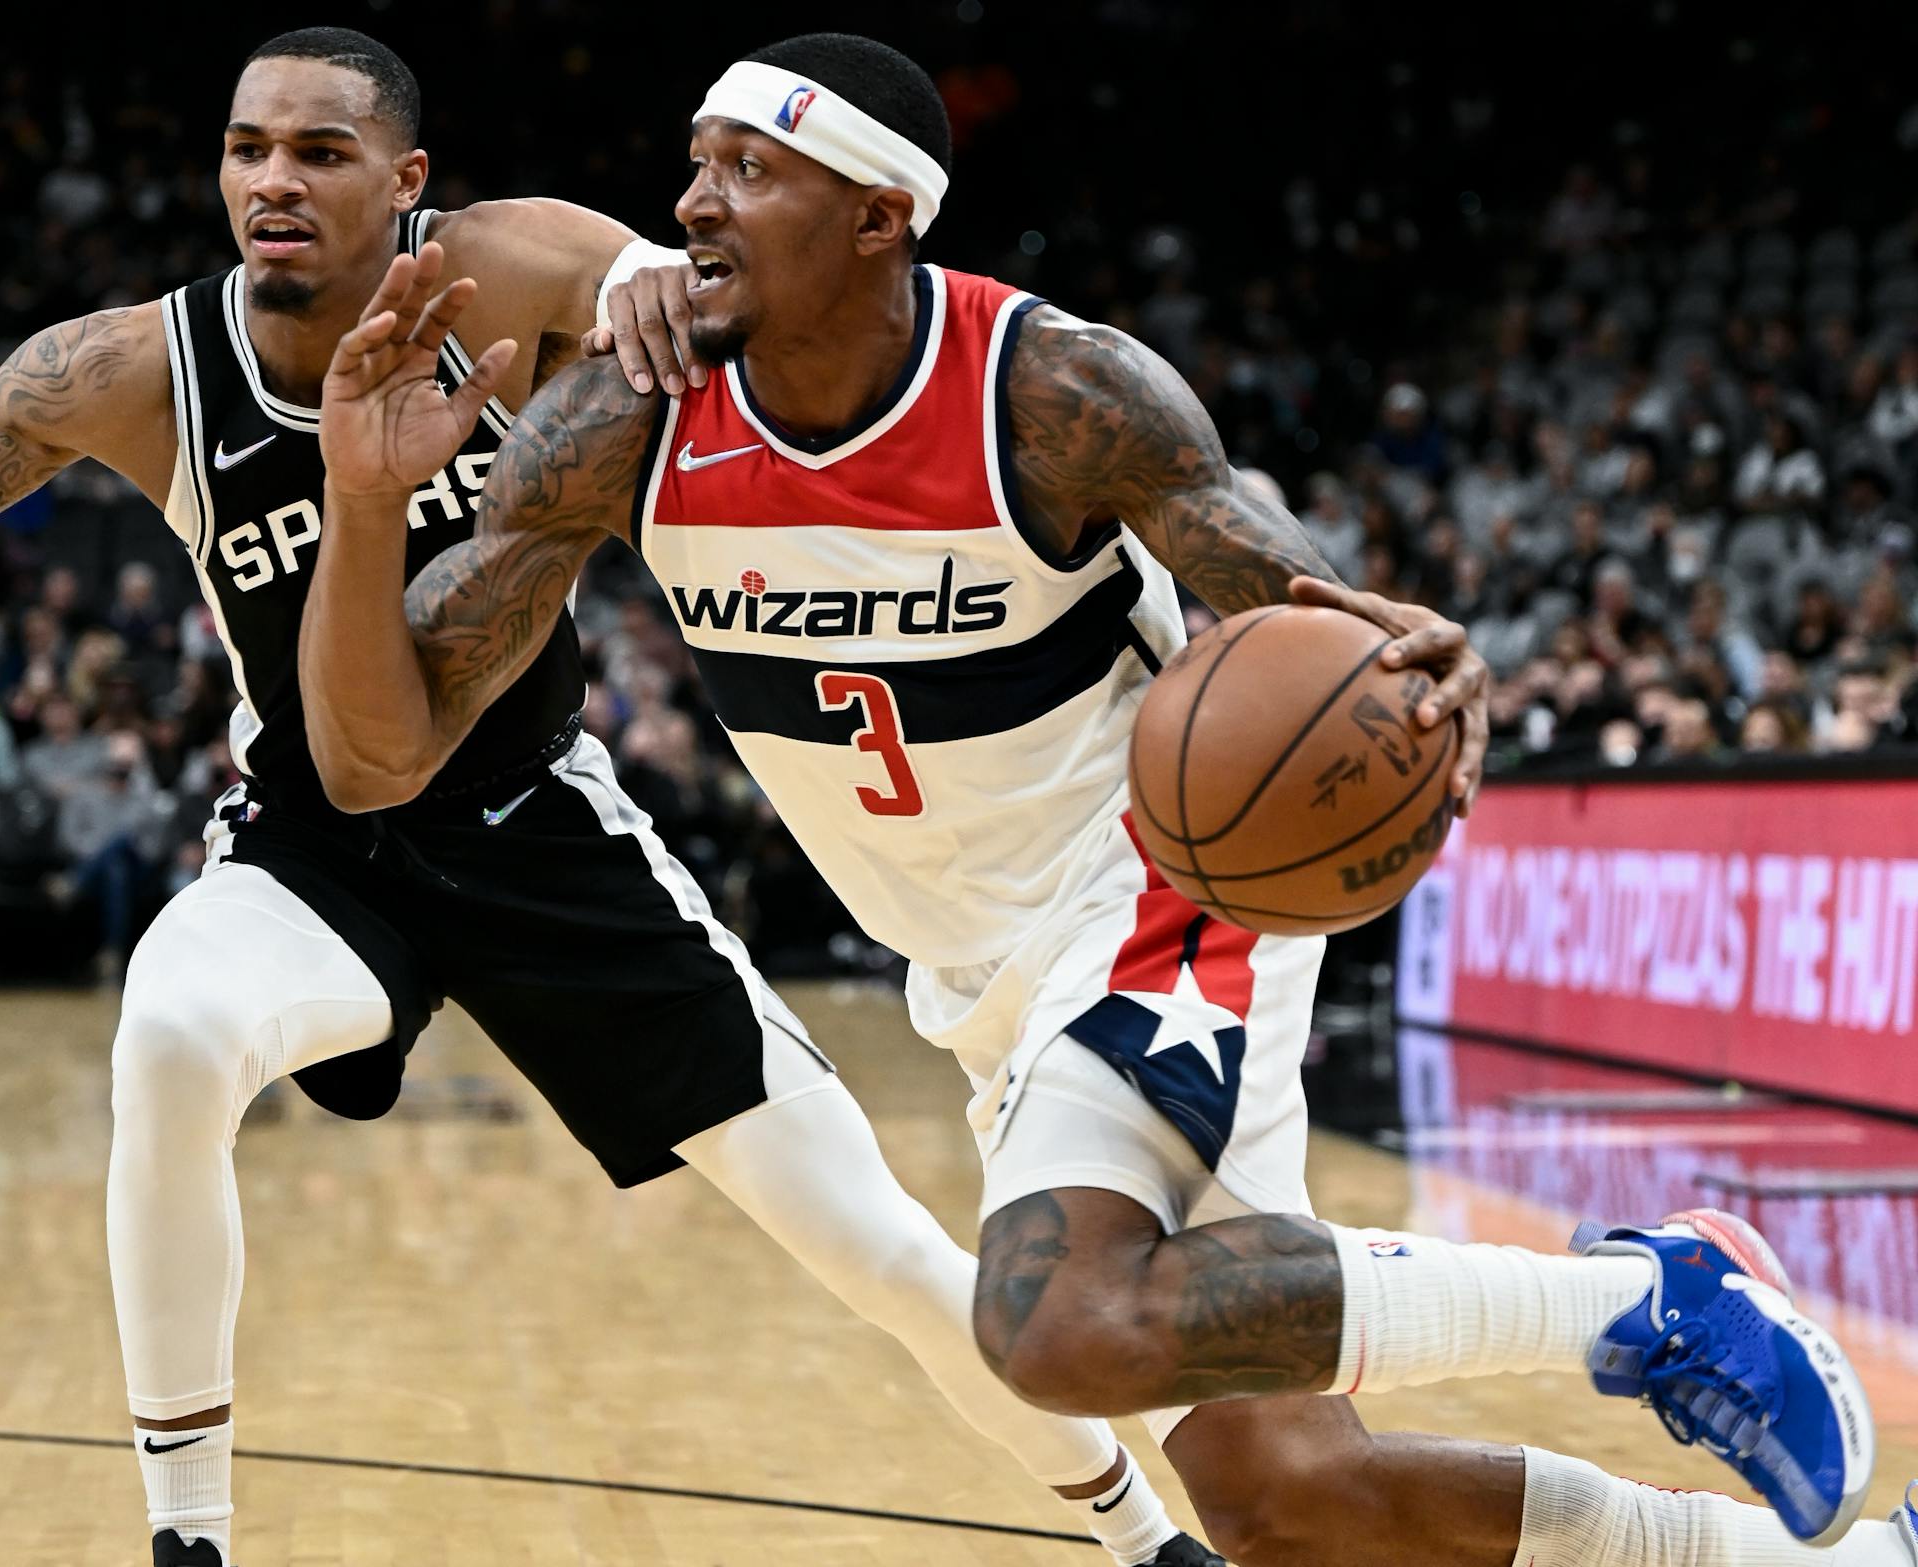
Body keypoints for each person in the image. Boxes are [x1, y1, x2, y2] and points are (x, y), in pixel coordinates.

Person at [299, 32, 1909, 1567]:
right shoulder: (622, 421)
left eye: (749, 169)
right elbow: (380, 757)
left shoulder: (1046, 390)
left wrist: (1395, 649)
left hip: (1150, 884)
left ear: (877, 216)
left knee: (1054, 1326)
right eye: (694, 166)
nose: (698, 202)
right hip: (984, 982)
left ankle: (1646, 1300)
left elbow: (1282, 586)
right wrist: (362, 509)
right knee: (1284, 1504)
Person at [0, 27, 1197, 1567]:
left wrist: (655, 272)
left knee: (869, 1240)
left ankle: (1146, 1542)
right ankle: (190, 1540)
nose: (274, 181)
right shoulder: (136, 371)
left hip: (541, 824)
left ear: (407, 180)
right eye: (248, 149)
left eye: (320, 151)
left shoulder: (503, 273)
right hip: (319, 848)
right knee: (173, 1028)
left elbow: (665, 277)